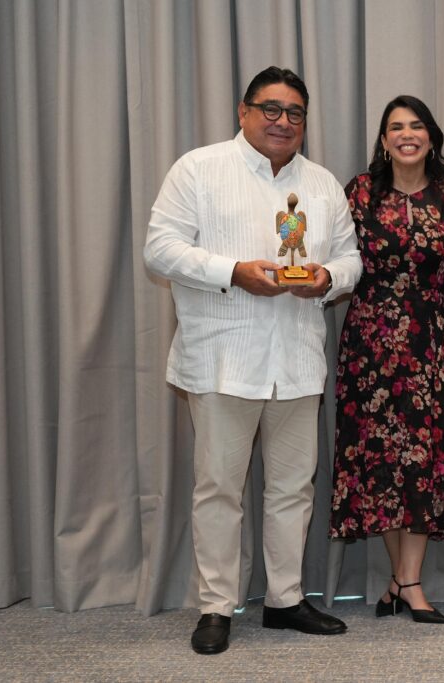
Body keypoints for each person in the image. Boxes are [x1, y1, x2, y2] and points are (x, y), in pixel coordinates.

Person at [144, 66, 361, 654]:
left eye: (295, 113)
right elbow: (159, 249)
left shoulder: (322, 184)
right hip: (222, 359)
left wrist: (327, 279)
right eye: (271, 109)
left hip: (296, 360)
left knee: (293, 488)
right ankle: (216, 606)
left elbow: (350, 259)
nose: (282, 121)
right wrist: (234, 272)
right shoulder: (199, 169)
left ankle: (285, 600)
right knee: (219, 488)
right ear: (243, 112)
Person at [329, 95, 444, 624]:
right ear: (384, 140)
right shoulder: (360, 192)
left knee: (425, 460)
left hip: (430, 341)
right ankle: (406, 581)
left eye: (416, 126)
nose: (406, 134)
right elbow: (340, 260)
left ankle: (404, 582)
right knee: (383, 465)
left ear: (431, 137)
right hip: (369, 346)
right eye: (395, 127)